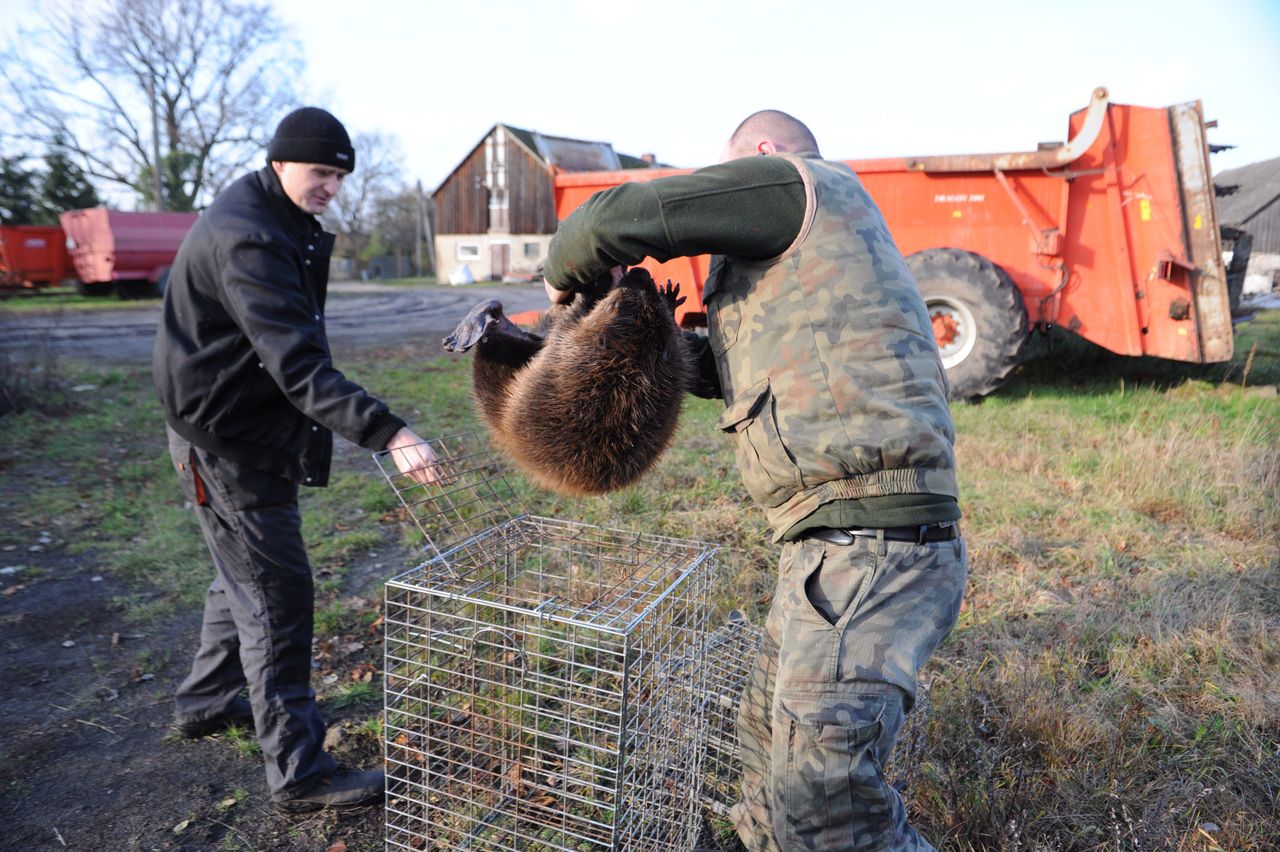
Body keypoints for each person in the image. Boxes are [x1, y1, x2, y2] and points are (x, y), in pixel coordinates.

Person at [542, 111, 967, 850]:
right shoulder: (820, 255)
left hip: (871, 544)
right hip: (832, 545)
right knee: (766, 757)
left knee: (826, 800)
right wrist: (625, 341)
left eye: (735, 166)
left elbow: (619, 217)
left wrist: (562, 277)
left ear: (761, 154)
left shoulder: (796, 183)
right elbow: (733, 371)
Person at [152, 106, 438, 813]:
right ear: (281, 161)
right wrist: (391, 433)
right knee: (277, 599)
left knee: (242, 576)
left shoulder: (270, 215)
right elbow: (297, 364)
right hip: (225, 440)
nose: (331, 188)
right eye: (321, 173)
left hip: (231, 426)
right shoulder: (248, 235)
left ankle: (210, 700)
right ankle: (302, 775)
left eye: (340, 176)